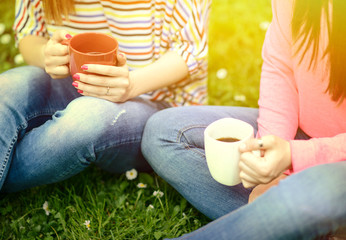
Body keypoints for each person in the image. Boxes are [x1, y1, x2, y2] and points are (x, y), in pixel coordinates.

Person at [142, 0, 346, 238]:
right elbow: (281, 66)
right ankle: (300, 223)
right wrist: (268, 153)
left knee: (298, 195)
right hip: (300, 136)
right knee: (165, 133)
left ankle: (292, 216)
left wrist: (293, 156)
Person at [0, 0, 210, 193]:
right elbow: (30, 31)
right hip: (70, 83)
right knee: (7, 87)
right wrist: (45, 53)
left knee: (84, 120)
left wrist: (132, 84)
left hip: (153, 99)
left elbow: (190, 50)